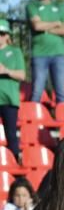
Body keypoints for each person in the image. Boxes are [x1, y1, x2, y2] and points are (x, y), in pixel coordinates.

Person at [27, 0, 64, 104]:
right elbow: (36, 25)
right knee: (37, 91)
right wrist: (56, 23)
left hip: (58, 54)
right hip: (39, 54)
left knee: (61, 91)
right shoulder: (32, 6)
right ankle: (33, 119)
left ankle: (63, 120)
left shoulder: (60, 6)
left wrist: (46, 28)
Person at [0, 20, 25, 162]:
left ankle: (14, 162)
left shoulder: (15, 52)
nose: (0, 36)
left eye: (2, 33)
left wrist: (6, 71)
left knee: (11, 134)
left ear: (7, 35)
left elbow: (22, 75)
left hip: (9, 101)